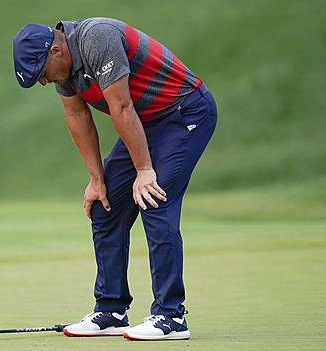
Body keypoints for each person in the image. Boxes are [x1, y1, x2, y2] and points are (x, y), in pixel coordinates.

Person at [12, 17, 217, 341]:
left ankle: (171, 317)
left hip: (183, 112)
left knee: (153, 198)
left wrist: (145, 171)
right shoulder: (64, 67)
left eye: (42, 74)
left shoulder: (97, 38)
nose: (43, 82)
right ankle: (111, 311)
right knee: (104, 205)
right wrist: (97, 180)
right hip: (144, 122)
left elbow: (120, 105)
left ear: (55, 50)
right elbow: (77, 114)